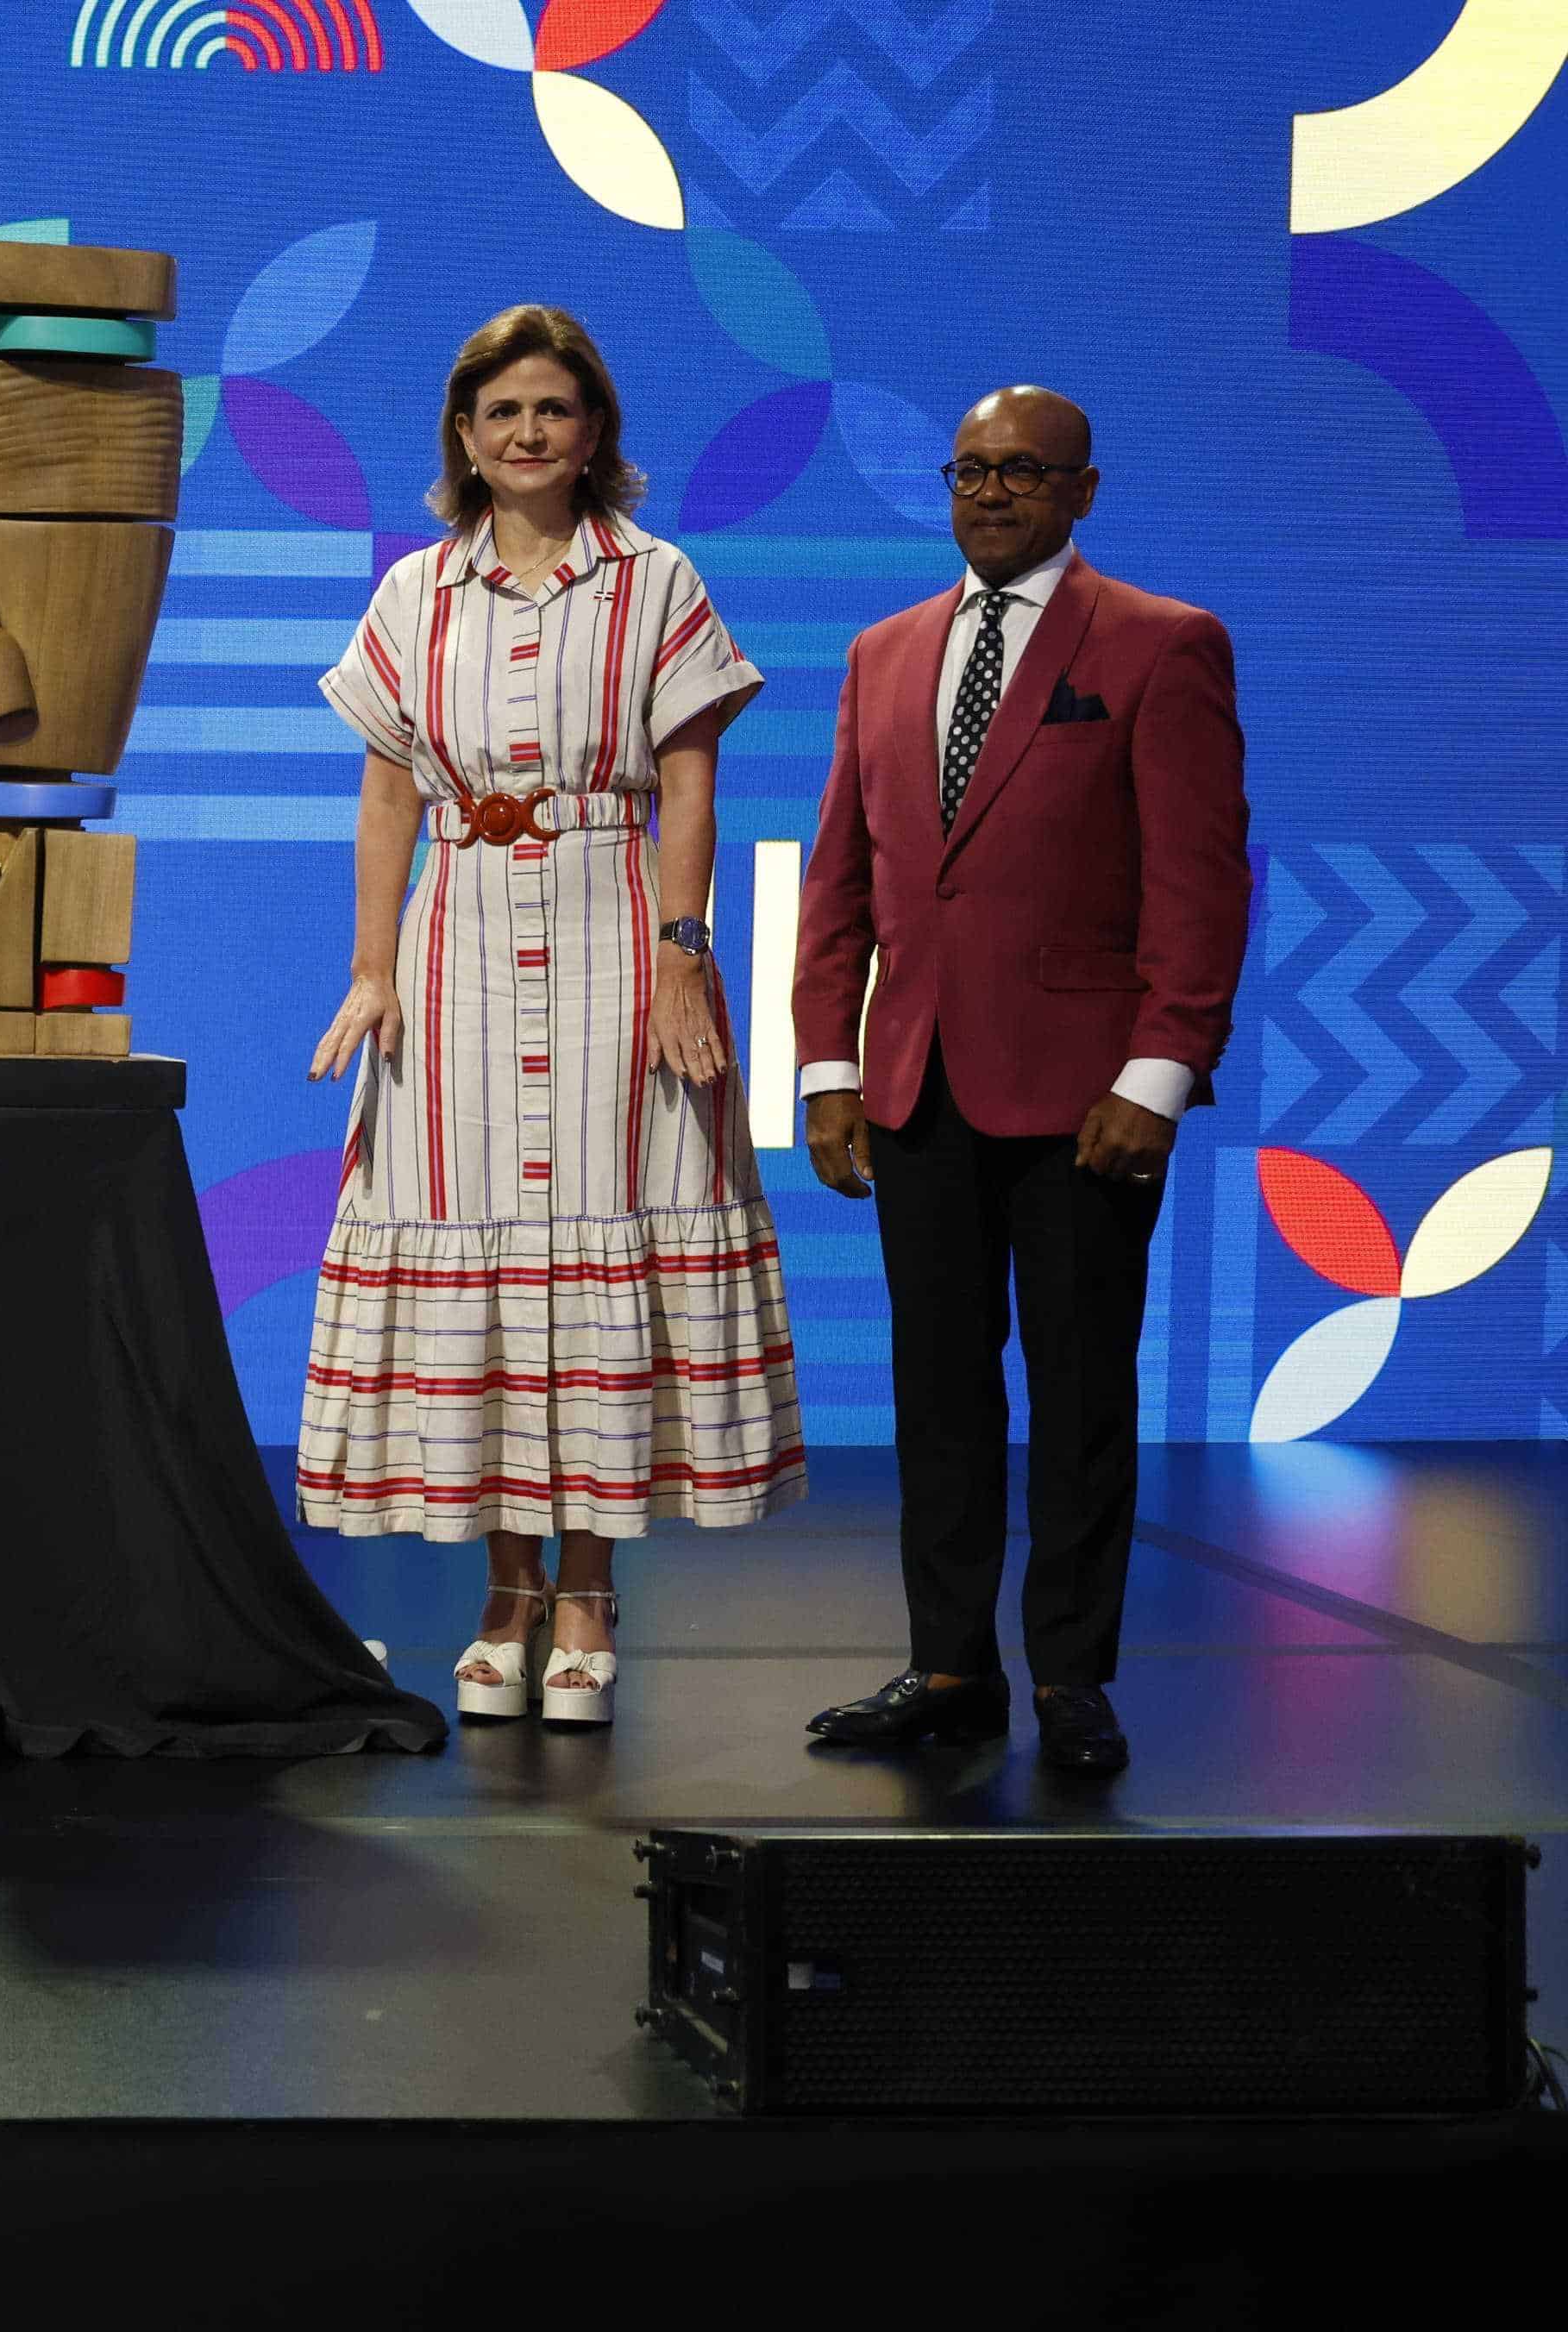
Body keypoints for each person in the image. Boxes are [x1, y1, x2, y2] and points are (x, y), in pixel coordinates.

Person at [301, 304, 808, 1728]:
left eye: (553, 410)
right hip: (457, 943)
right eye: (502, 412)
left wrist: (682, 951)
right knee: (494, 1259)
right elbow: (390, 789)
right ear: (464, 436)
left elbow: (693, 783)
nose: (527, 434)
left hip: (611, 924)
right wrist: (374, 964)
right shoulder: (417, 593)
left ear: (597, 434)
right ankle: (506, 1590)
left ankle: (587, 1591)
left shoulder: (657, 581)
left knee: (602, 1239)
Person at [793, 386, 1250, 1778]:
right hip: (915, 1082)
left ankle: (1070, 1673)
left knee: (1080, 1389)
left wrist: (1161, 1068)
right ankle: (949, 1666)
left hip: (1087, 1097)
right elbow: (840, 880)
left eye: (1025, 472)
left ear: (1084, 490)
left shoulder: (1163, 644)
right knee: (937, 1391)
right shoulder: (883, 651)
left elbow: (1201, 880)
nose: (993, 493)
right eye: (971, 470)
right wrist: (826, 1064)